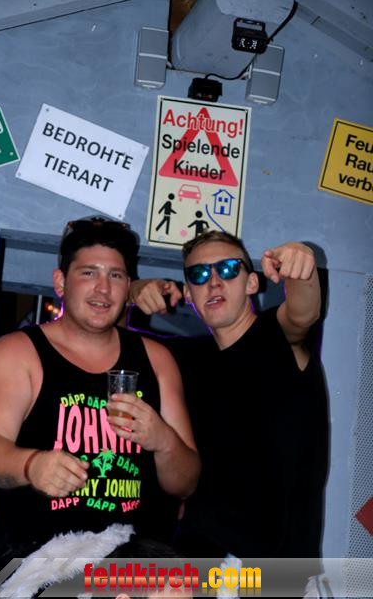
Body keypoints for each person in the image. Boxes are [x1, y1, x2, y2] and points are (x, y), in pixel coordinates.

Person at [0, 216, 200, 577]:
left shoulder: (156, 360)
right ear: (60, 282)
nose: (103, 289)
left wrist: (164, 441)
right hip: (37, 568)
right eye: (88, 273)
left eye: (116, 276)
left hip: (133, 572)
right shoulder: (18, 352)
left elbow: (186, 482)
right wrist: (31, 465)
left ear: (128, 286)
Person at [129, 231, 329, 568]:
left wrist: (301, 259)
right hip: (196, 565)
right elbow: (110, 341)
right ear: (189, 294)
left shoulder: (276, 336)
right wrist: (132, 292)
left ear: (252, 283)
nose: (214, 282)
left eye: (228, 269)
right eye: (199, 274)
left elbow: (302, 314)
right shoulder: (182, 359)